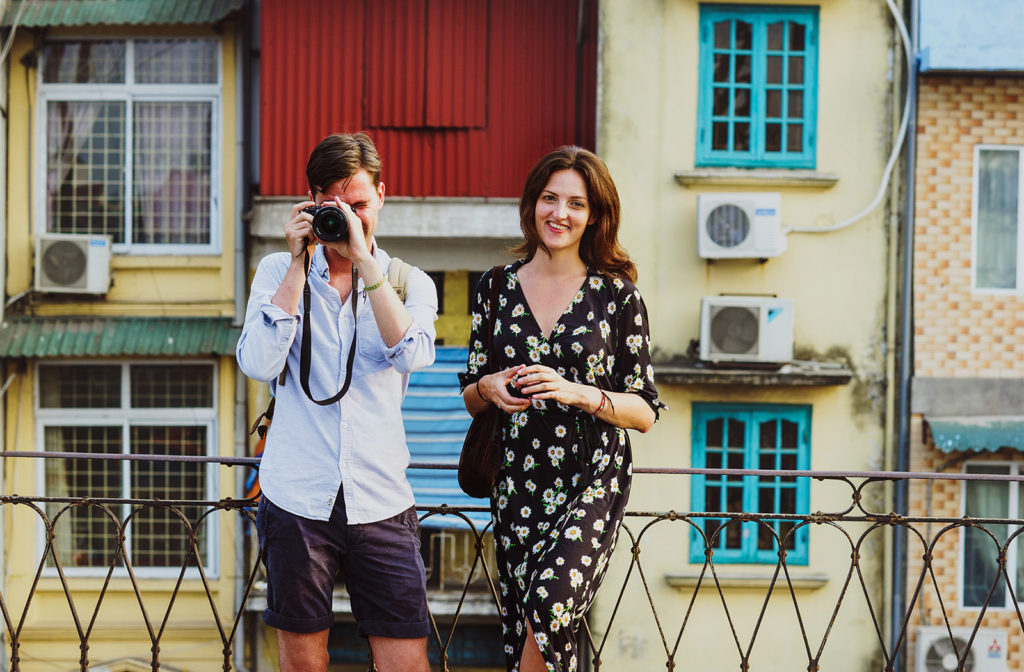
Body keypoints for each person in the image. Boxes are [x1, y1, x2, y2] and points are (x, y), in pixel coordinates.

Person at [236, 132, 437, 672]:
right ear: (312, 201)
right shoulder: (278, 273)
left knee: (405, 661)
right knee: (304, 661)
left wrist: (366, 264)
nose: (348, 217)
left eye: (360, 205)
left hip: (381, 497)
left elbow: (413, 355)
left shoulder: (407, 281)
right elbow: (257, 363)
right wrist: (300, 264)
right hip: (298, 496)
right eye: (335, 205)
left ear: (382, 198)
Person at [459, 146, 662, 672]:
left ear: (594, 214)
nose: (560, 213)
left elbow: (644, 410)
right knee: (530, 626)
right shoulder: (494, 288)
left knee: (549, 610)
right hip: (517, 480)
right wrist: (491, 386)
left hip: (591, 479)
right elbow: (469, 395)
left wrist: (578, 392)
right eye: (549, 198)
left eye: (575, 203)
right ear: (532, 205)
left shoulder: (618, 297)